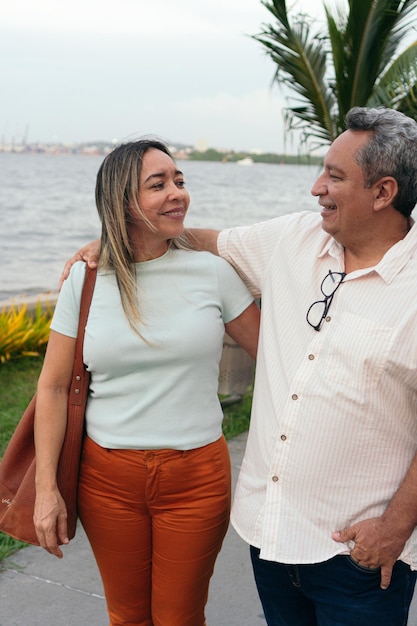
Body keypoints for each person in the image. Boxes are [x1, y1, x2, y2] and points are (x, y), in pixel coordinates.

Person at [62, 107, 417, 626]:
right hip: (269, 537)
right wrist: (115, 241)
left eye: (335, 176)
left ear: (383, 193)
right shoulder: (293, 239)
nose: (317, 187)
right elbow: (203, 238)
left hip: (358, 555)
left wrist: (395, 526)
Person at [34, 139, 260, 626]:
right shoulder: (86, 279)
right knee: (127, 615)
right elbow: (52, 388)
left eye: (179, 180)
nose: (177, 192)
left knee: (180, 617)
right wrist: (47, 487)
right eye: (157, 184)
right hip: (106, 480)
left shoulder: (213, 272)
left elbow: (277, 357)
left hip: (196, 478)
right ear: (121, 201)